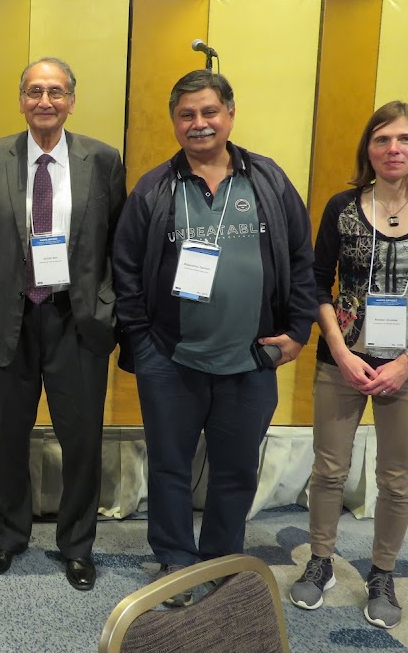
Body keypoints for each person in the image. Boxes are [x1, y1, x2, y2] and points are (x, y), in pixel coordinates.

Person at [112, 69, 316, 606]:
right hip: (171, 359)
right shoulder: (154, 188)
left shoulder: (268, 180)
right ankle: (175, 560)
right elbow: (125, 269)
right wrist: (143, 343)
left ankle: (223, 559)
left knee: (236, 469)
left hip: (251, 359)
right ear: (174, 122)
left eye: (209, 112)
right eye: (187, 114)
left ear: (230, 113)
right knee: (169, 466)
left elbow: (301, 257)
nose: (199, 123)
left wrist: (297, 330)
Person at [289, 101, 408, 628]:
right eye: (382, 139)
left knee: (396, 479)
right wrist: (342, 352)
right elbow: (317, 283)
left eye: (405, 139)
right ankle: (320, 561)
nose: (394, 149)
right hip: (342, 362)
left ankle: (382, 573)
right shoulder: (343, 206)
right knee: (328, 469)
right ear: (368, 149)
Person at [0, 57, 126, 591]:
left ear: (72, 101)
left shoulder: (102, 160)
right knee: (8, 437)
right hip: (11, 318)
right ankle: (8, 536)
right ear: (21, 100)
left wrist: (107, 307)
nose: (45, 101)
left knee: (81, 441)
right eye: (34, 91)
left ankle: (77, 545)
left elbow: (118, 243)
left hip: (75, 320)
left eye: (56, 92)